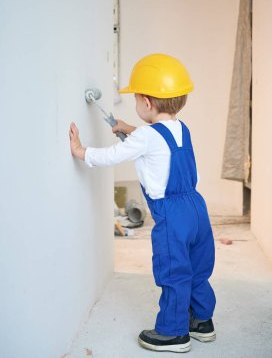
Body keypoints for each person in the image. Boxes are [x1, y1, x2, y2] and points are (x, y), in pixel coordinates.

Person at [69, 54, 216, 353]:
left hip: (172, 217)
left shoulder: (146, 136)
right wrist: (131, 130)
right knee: (198, 267)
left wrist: (82, 151)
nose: (136, 105)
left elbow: (113, 156)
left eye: (136, 99)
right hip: (197, 209)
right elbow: (158, 144)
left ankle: (174, 334)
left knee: (174, 272)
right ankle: (202, 322)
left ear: (147, 103)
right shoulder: (182, 129)